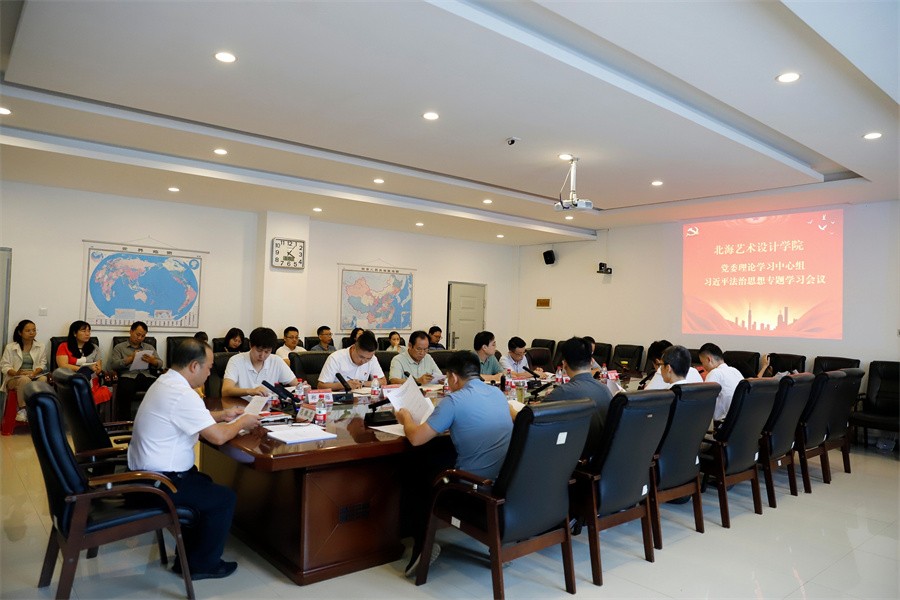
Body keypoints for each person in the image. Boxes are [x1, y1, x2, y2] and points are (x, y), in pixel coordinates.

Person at [127, 338, 261, 580]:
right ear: (193, 366)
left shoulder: (166, 382)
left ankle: (190, 555)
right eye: (209, 367)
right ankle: (202, 565)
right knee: (224, 498)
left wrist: (223, 414)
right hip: (158, 484)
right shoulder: (182, 394)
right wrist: (242, 421)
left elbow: (188, 415)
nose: (210, 373)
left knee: (204, 481)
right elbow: (218, 437)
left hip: (145, 476)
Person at [396, 350, 513, 576]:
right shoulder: (498, 394)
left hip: (472, 488)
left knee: (415, 471)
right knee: (437, 458)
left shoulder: (453, 400)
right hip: (502, 482)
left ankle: (423, 545)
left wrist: (406, 419)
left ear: (453, 377)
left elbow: (416, 438)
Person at [542, 337, 613, 459]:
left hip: (571, 457)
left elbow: (535, 421)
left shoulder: (562, 392)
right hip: (599, 458)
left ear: (564, 364)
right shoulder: (605, 389)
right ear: (591, 362)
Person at [108, 321, 163, 420]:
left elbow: (160, 363)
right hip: (128, 376)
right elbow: (113, 365)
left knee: (160, 388)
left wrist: (153, 361)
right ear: (131, 331)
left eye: (143, 336)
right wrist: (130, 359)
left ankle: (154, 420)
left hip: (146, 375)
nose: (140, 338)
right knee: (125, 390)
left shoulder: (149, 347)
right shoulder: (119, 347)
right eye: (138, 334)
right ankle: (125, 422)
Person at [221, 327, 298, 397]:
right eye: (259, 350)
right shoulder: (236, 360)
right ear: (250, 345)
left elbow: (296, 384)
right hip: (241, 406)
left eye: (267, 351)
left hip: (268, 406)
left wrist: (302, 387)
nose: (262, 355)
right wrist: (250, 391)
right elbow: (225, 391)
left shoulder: (276, 361)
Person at [0, 319, 48, 422]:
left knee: (43, 379)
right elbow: (4, 366)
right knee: (24, 379)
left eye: (34, 330)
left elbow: (43, 364)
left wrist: (34, 373)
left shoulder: (41, 346)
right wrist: (16, 373)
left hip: (33, 375)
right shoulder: (11, 347)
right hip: (14, 378)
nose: (32, 333)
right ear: (20, 332)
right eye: (28, 330)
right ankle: (23, 409)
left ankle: (38, 408)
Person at [318, 330, 386, 391]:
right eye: (361, 357)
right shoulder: (335, 358)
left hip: (362, 398)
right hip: (340, 398)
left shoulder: (373, 358)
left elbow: (383, 381)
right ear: (353, 348)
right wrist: (344, 385)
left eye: (368, 359)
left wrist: (361, 383)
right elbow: (321, 386)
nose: (364, 361)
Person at [698, 343, 745, 422]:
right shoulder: (735, 371)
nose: (703, 366)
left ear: (708, 359)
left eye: (702, 362)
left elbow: (704, 402)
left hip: (721, 424)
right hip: (739, 421)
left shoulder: (715, 373)